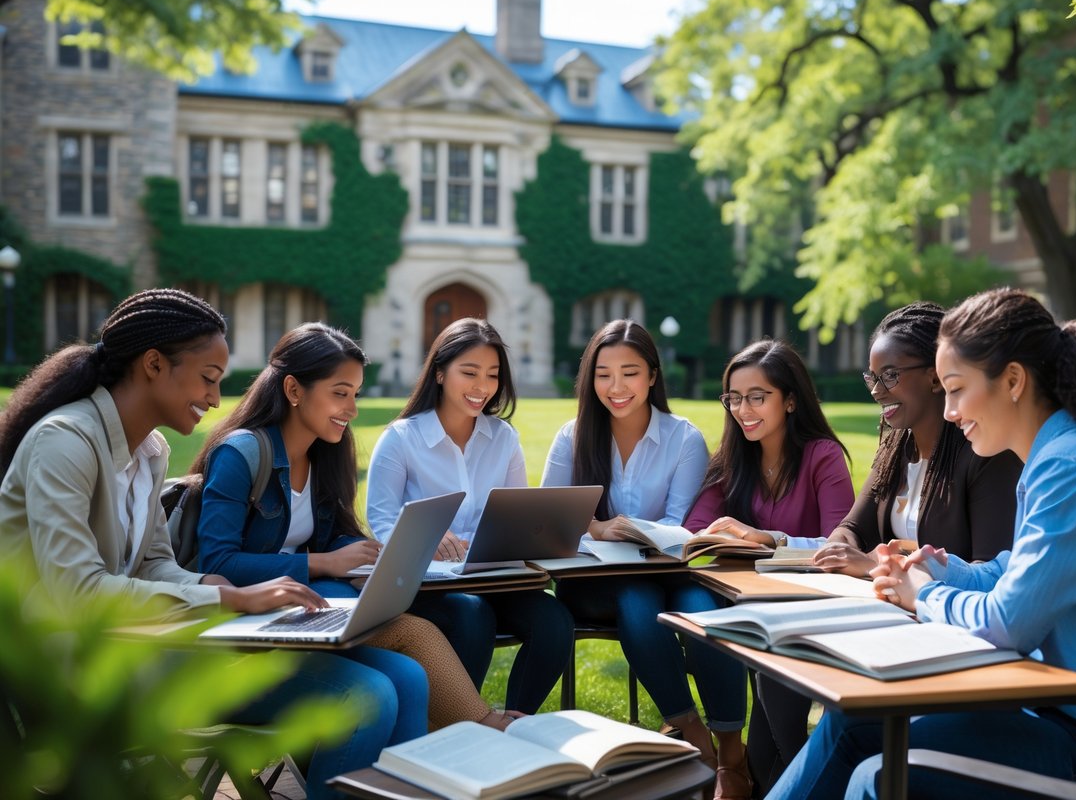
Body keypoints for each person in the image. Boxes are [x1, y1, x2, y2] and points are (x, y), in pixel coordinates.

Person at [0, 289, 425, 800]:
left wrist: (207, 581)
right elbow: (76, 591)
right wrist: (226, 597)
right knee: (367, 695)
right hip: (76, 670)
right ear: (154, 365)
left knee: (404, 676)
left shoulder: (150, 449)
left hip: (149, 645)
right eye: (208, 378)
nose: (217, 399)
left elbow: (155, 563)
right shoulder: (65, 441)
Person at [768, 288, 1076, 800]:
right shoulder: (1054, 460)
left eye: (957, 389)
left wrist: (925, 593)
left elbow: (1009, 622)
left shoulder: (1071, 469)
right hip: (1064, 719)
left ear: (1012, 381)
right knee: (850, 723)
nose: (948, 411)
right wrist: (941, 568)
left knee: (878, 777)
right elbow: (1013, 571)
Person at [747, 303, 1022, 794]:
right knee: (776, 661)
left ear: (936, 376)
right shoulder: (895, 446)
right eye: (872, 377)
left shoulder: (983, 454)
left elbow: (990, 569)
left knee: (814, 704)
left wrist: (874, 562)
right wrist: (844, 552)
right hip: (884, 609)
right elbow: (850, 529)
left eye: (890, 375)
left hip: (940, 629)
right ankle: (779, 778)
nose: (877, 390)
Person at [194, 322, 514, 732]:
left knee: (415, 666)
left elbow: (335, 533)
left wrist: (368, 556)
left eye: (355, 395)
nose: (352, 409)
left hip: (307, 605)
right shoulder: (240, 455)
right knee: (413, 638)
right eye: (340, 394)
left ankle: (459, 738)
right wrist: (324, 563)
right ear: (293, 390)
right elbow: (217, 564)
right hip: (251, 622)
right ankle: (485, 726)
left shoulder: (326, 452)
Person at [540, 319, 749, 800]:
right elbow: (550, 520)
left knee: (704, 610)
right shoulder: (572, 437)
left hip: (670, 574)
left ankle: (732, 752)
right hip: (593, 582)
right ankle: (693, 734)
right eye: (603, 374)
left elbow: (680, 524)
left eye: (630, 373)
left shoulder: (682, 438)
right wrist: (596, 528)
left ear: (653, 375)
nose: (616, 387)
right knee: (636, 599)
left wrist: (639, 533)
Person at [366, 317, 574, 714]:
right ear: (440, 372)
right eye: (470, 372)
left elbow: (517, 516)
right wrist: (425, 538)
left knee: (554, 621)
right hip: (427, 587)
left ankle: (515, 722)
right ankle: (462, 722)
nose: (483, 386)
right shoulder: (401, 439)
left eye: (493, 375)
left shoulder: (503, 438)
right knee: (472, 617)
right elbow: (382, 521)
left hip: (492, 579)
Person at [685, 339, 854, 547]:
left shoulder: (823, 456)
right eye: (735, 398)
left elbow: (840, 546)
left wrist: (770, 539)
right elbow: (695, 529)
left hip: (807, 570)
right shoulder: (730, 459)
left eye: (756, 397)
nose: (743, 411)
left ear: (790, 401)